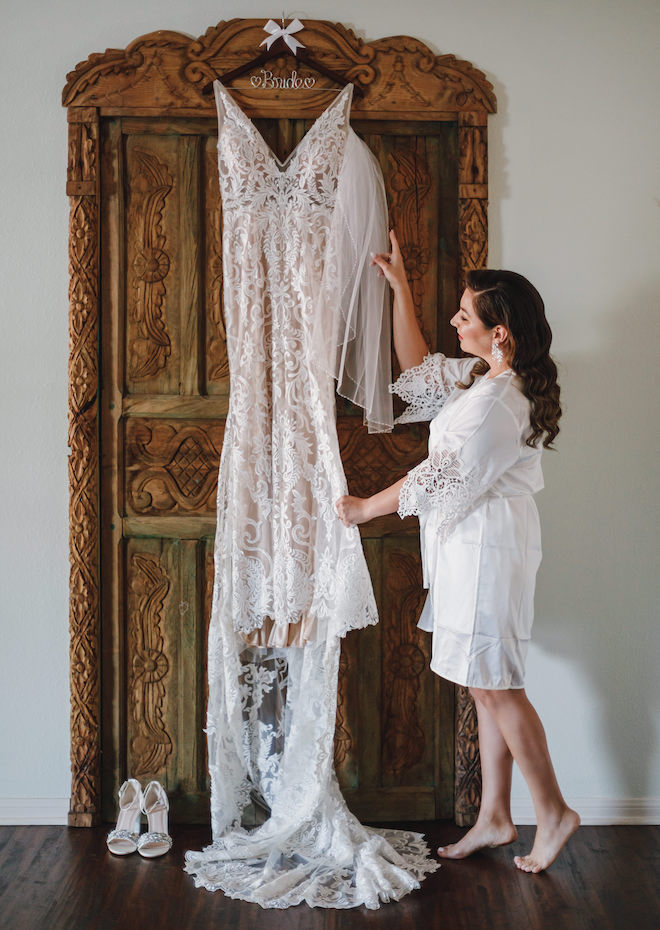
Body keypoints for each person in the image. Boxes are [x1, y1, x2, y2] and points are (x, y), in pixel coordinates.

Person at [336, 230, 580, 873]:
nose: (455, 322)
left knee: (499, 687)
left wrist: (365, 508)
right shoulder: (483, 377)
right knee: (483, 683)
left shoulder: (501, 401)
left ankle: (552, 812)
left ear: (499, 332)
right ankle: (496, 817)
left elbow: (437, 477)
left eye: (465, 316)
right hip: (471, 549)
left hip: (488, 553)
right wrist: (400, 290)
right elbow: (419, 373)